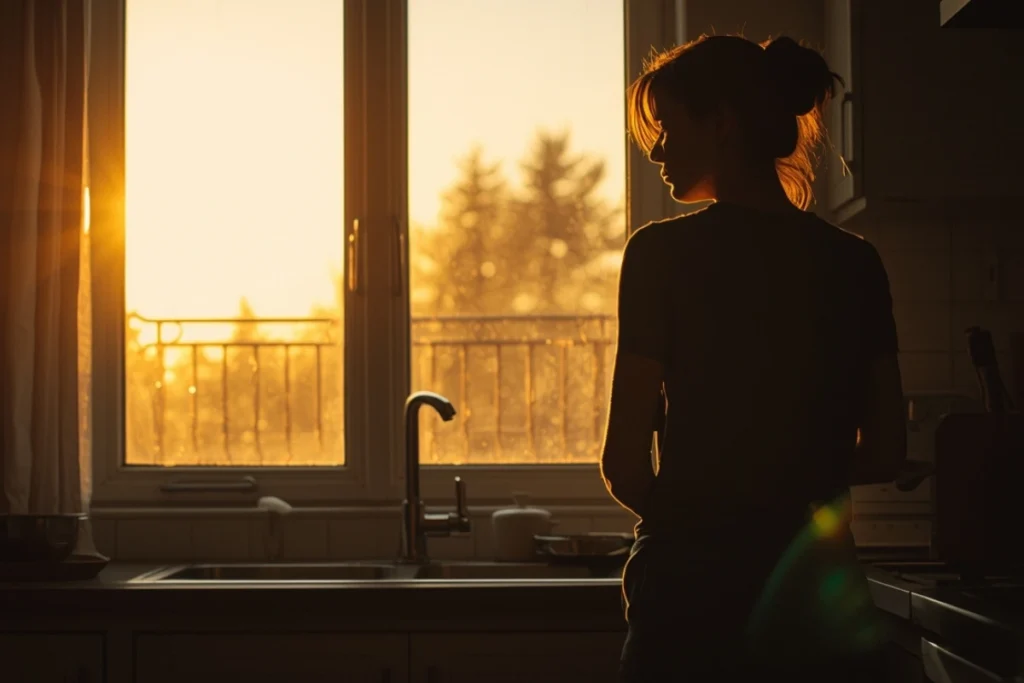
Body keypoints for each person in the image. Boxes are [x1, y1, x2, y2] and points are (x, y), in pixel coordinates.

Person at [600, 34, 908, 681]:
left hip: (689, 602)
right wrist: (788, 484)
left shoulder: (658, 256)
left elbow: (624, 464)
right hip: (813, 593)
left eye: (668, 128)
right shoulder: (855, 263)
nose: (655, 150)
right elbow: (885, 452)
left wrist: (697, 526)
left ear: (721, 123)